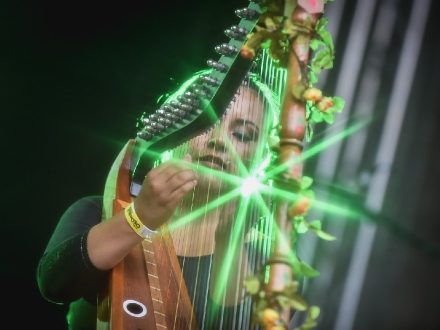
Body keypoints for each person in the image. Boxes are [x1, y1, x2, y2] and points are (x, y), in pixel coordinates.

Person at [37, 70, 280, 329]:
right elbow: (55, 285)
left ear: (259, 160)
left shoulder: (269, 257)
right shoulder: (99, 211)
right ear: (175, 126)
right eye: (206, 125)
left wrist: (230, 242)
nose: (220, 142)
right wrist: (139, 219)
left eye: (242, 135)